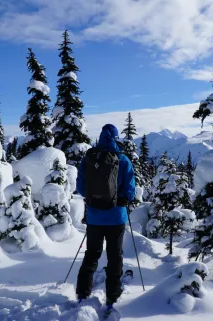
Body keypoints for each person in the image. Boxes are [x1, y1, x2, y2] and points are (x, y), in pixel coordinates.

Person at [75, 124, 135, 309]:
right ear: (116, 138)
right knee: (114, 256)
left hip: (94, 217)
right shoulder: (123, 160)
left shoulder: (89, 160)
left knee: (92, 254)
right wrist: (122, 199)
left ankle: (83, 293)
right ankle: (113, 297)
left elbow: (81, 189)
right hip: (116, 217)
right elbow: (130, 191)